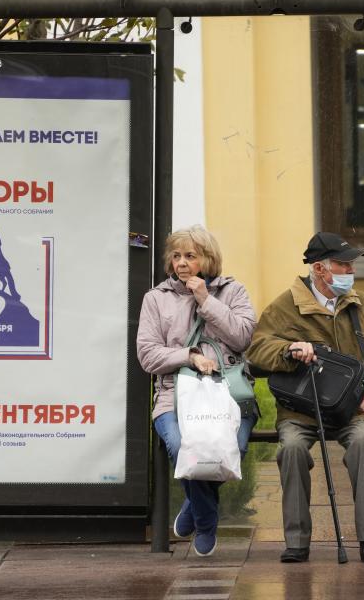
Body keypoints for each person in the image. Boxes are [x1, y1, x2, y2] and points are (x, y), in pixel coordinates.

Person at [247, 232, 364, 564]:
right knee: (292, 449)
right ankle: (297, 541)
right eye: (343, 265)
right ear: (319, 269)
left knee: (363, 443)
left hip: (356, 410)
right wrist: (288, 349)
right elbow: (258, 349)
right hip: (302, 410)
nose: (350, 271)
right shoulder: (286, 305)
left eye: (350, 265)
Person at [136, 225, 258, 557]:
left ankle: (192, 508)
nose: (182, 263)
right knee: (181, 445)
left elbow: (244, 337)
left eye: (190, 255)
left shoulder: (233, 291)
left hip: (229, 391)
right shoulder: (156, 298)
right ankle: (206, 522)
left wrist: (205, 299)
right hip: (173, 394)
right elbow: (147, 354)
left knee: (231, 448)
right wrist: (189, 356)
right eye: (176, 256)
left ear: (208, 258)